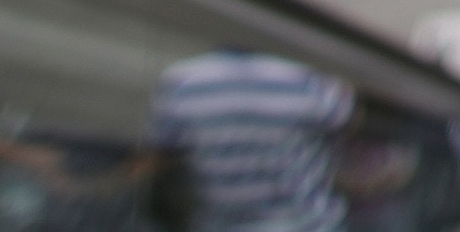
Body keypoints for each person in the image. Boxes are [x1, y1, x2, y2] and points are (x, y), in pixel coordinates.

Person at [139, 48, 355, 232]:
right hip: (307, 225)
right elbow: (346, 122)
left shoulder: (180, 83)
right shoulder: (307, 79)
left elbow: (162, 149)